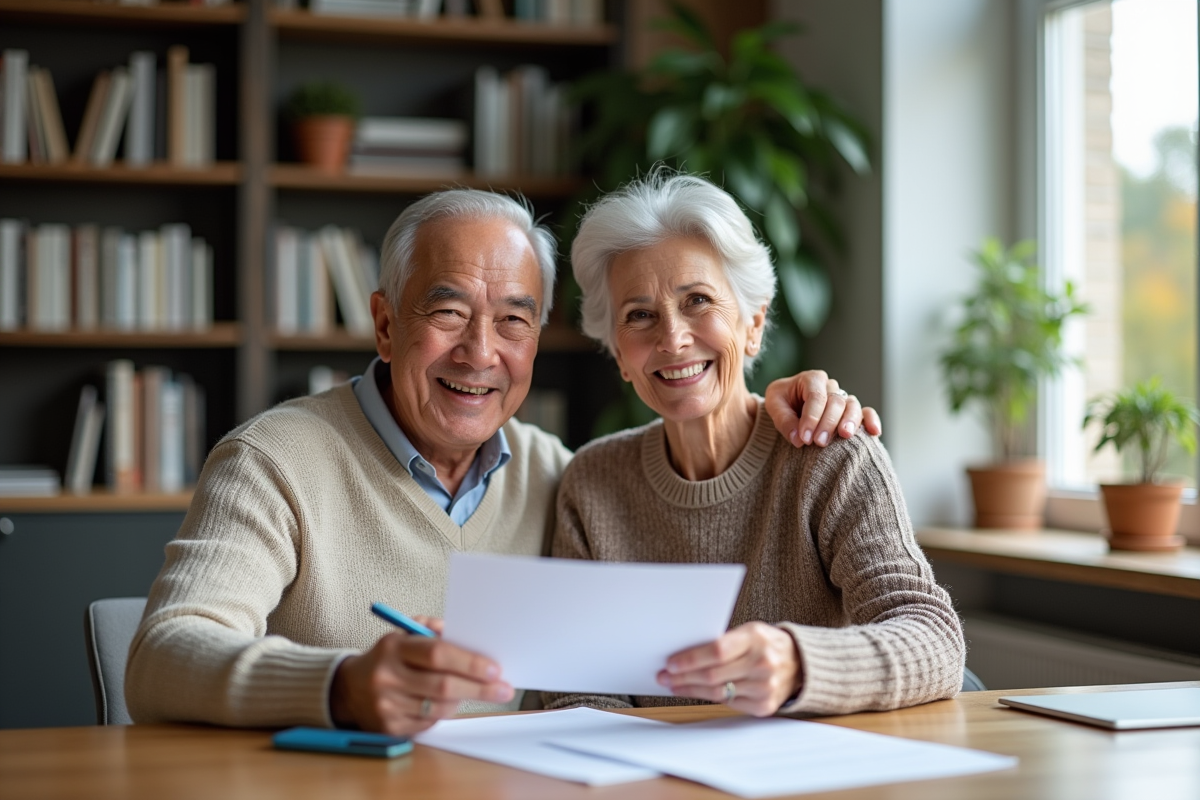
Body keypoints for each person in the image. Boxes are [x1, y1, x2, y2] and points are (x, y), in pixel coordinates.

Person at [125, 188, 879, 735]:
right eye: (447, 311)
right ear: (385, 324)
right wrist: (343, 686)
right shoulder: (273, 461)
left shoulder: (561, 474)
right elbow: (161, 658)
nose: (480, 353)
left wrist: (794, 398)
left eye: (513, 319)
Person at [543, 173, 964, 718]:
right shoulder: (593, 481)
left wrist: (798, 663)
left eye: (697, 301)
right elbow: (578, 687)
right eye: (639, 315)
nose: (672, 338)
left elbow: (935, 641)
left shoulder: (831, 456)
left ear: (753, 325)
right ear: (620, 355)